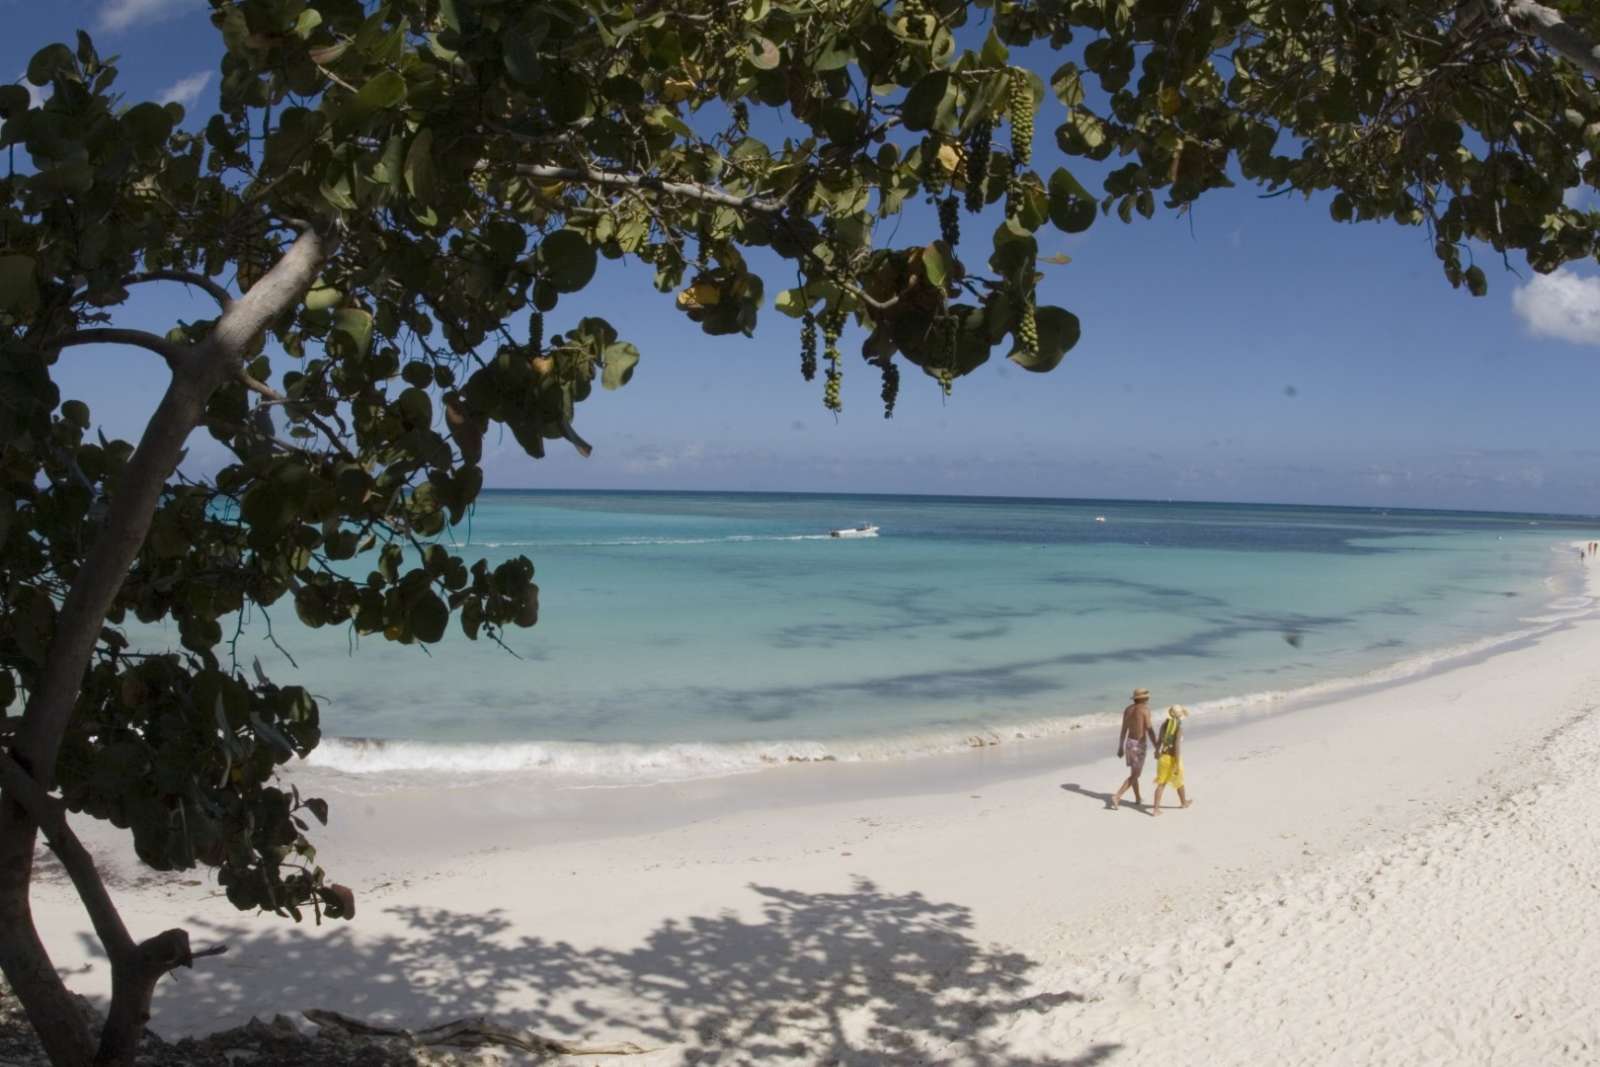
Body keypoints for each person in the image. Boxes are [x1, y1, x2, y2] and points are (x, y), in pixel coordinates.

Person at [1112, 687, 1158, 810]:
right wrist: (1156, 746)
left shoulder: (1128, 709)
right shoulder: (1145, 710)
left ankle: (1137, 797)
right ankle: (1117, 796)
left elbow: (1123, 729)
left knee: (1134, 773)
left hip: (1129, 743)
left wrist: (1120, 747)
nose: (1149, 697)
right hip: (1139, 745)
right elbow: (1149, 729)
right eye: (1147, 696)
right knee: (1136, 775)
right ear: (1144, 698)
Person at [1152, 705, 1194, 815]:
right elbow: (1176, 746)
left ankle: (1156, 809)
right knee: (1179, 781)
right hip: (1173, 758)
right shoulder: (1179, 728)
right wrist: (1176, 762)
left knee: (1161, 784)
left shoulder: (1164, 725)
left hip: (1163, 757)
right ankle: (1184, 803)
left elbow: (1159, 740)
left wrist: (1156, 751)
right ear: (1180, 716)